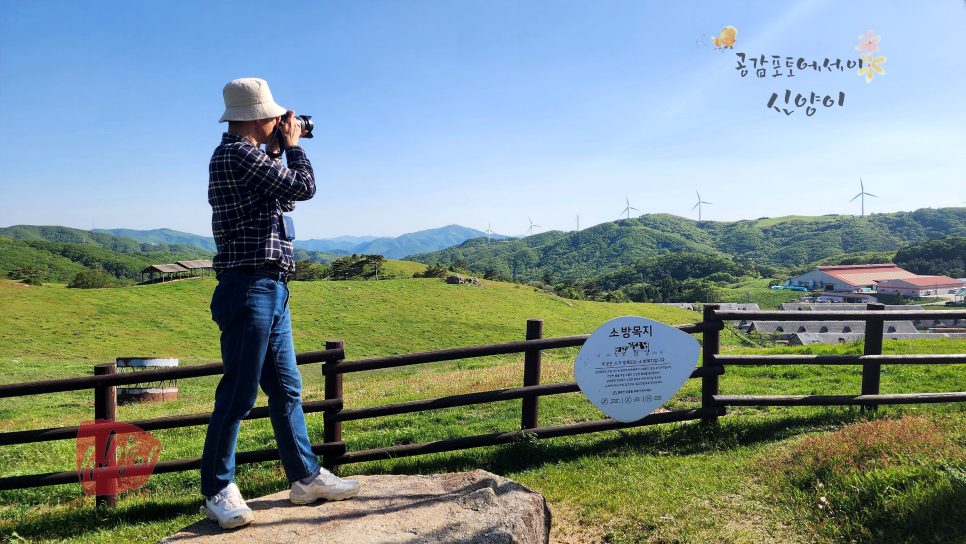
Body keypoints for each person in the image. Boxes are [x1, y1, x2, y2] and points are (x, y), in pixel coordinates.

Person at [202, 78, 359, 529]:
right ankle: (217, 489)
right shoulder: (235, 152)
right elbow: (305, 186)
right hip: (248, 287)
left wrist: (277, 150)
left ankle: (305, 478)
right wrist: (293, 147)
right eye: (276, 116)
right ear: (257, 116)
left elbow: (286, 195)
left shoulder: (249, 156)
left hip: (270, 288)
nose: (282, 122)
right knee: (238, 394)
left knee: (286, 389)